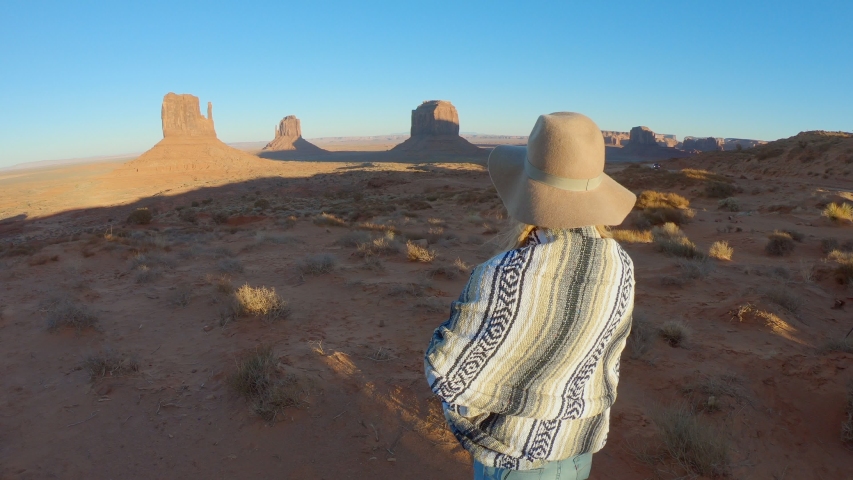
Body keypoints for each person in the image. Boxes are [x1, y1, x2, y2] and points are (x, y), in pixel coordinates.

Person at [424, 112, 637, 480]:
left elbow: (448, 375)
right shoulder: (620, 263)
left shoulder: (503, 272)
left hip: (514, 461)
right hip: (577, 452)